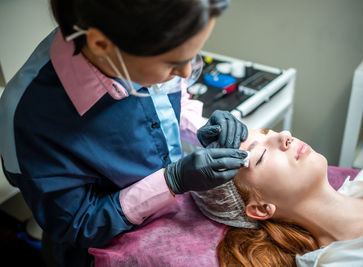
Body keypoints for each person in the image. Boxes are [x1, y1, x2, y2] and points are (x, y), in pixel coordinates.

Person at [0, 1, 250, 266]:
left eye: (192, 55)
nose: (186, 73)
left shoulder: (136, 49)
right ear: (101, 46)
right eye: (173, 63)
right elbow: (77, 223)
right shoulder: (29, 122)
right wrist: (171, 181)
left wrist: (198, 126)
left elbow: (166, 97)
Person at [192, 129, 363, 267]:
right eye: (261, 155)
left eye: (269, 132)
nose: (285, 135)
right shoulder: (346, 262)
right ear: (262, 209)